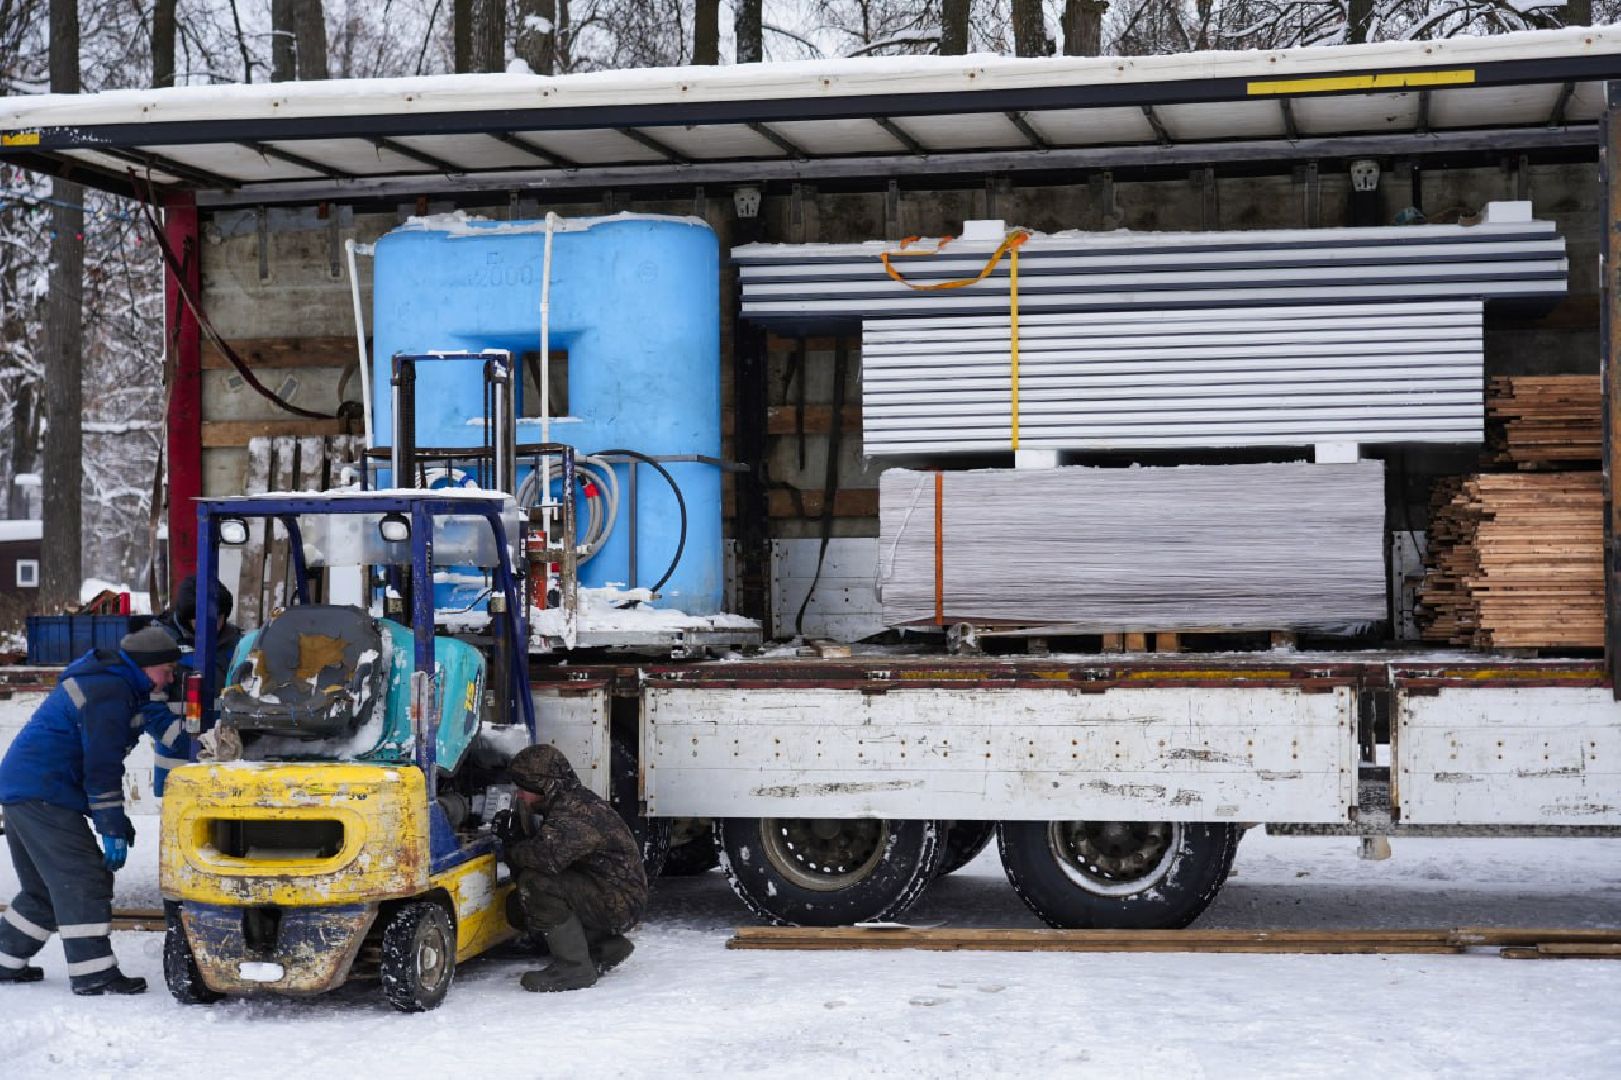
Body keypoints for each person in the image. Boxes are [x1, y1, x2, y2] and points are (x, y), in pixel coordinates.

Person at [0, 625, 187, 995]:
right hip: (43, 794)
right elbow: (101, 768)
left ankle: (4, 959)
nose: (169, 680)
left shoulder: (122, 684)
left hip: (24, 789)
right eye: (166, 671)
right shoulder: (109, 692)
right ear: (146, 666)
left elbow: (171, 735)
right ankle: (93, 973)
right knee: (84, 879)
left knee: (43, 891)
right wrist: (111, 828)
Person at [496, 744, 648, 992]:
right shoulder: (568, 800)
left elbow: (546, 859)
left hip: (619, 902)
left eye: (524, 787)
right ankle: (604, 948)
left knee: (535, 886)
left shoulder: (574, 813)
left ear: (542, 785)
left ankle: (574, 968)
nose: (520, 795)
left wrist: (513, 845)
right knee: (517, 905)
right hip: (609, 891)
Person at [149, 575, 241, 793]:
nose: (213, 624)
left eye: (218, 617)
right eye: (202, 618)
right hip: (178, 763)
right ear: (186, 616)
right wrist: (182, 740)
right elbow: (149, 707)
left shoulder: (236, 645)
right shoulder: (161, 646)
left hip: (225, 760)